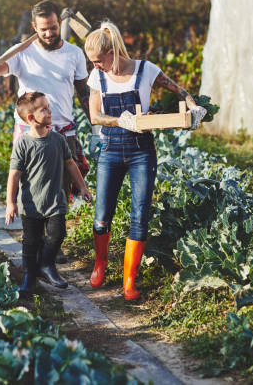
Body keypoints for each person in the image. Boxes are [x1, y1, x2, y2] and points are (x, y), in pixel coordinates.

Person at [84, 21, 206, 301]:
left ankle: (129, 281)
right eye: (93, 62)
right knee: (102, 215)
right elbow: (95, 117)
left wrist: (193, 108)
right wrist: (121, 120)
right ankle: (100, 263)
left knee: (139, 215)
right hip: (111, 150)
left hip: (141, 151)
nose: (96, 66)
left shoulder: (145, 70)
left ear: (113, 51)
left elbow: (180, 91)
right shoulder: (97, 78)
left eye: (99, 60)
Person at [0, 0, 91, 202]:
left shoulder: (74, 53)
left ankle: (56, 233)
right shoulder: (21, 52)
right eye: (43, 29)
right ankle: (32, 233)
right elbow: (0, 68)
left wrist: (97, 128)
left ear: (59, 22)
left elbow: (83, 93)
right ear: (34, 26)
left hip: (62, 130)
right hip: (29, 132)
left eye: (53, 27)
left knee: (61, 193)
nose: (49, 33)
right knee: (31, 191)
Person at [5, 91, 92, 297]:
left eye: (48, 106)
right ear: (31, 118)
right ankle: (29, 276)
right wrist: (10, 202)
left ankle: (46, 264)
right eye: (43, 108)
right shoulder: (23, 143)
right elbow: (14, 175)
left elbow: (70, 164)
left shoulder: (58, 139)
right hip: (31, 203)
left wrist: (82, 187)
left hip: (55, 200)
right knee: (30, 241)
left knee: (57, 234)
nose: (49, 110)